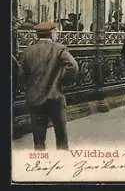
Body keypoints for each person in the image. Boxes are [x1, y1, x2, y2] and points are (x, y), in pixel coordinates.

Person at [18, 21, 79, 150]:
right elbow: (72, 66)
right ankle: (61, 163)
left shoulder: (27, 51)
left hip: (35, 98)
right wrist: (61, 82)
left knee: (39, 139)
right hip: (55, 97)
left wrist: (28, 87)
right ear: (52, 33)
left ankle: (40, 165)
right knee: (61, 136)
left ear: (37, 35)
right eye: (55, 32)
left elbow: (20, 75)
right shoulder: (59, 48)